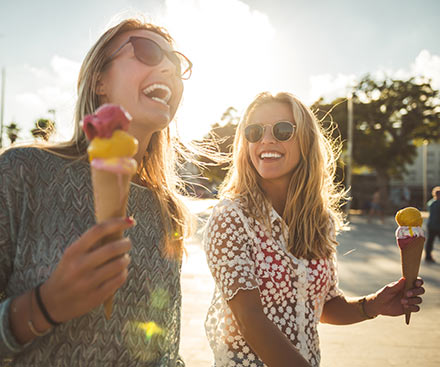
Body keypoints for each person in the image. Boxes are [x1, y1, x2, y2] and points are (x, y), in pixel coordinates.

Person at [0, 17, 193, 366]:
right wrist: (44, 305)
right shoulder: (21, 173)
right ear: (99, 80)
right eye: (148, 52)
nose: (168, 67)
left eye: (177, 63)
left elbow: (165, 349)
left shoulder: (168, 211)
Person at [203, 92, 425, 367]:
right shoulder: (231, 217)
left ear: (306, 141)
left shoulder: (321, 221)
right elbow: (249, 318)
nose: (266, 139)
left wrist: (373, 304)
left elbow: (324, 306)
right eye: (254, 131)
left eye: (283, 130)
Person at [425, 186, 440, 263]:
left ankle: (427, 256)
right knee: (430, 241)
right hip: (437, 226)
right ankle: (428, 256)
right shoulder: (438, 203)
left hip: (431, 225)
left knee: (430, 241)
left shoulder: (430, 202)